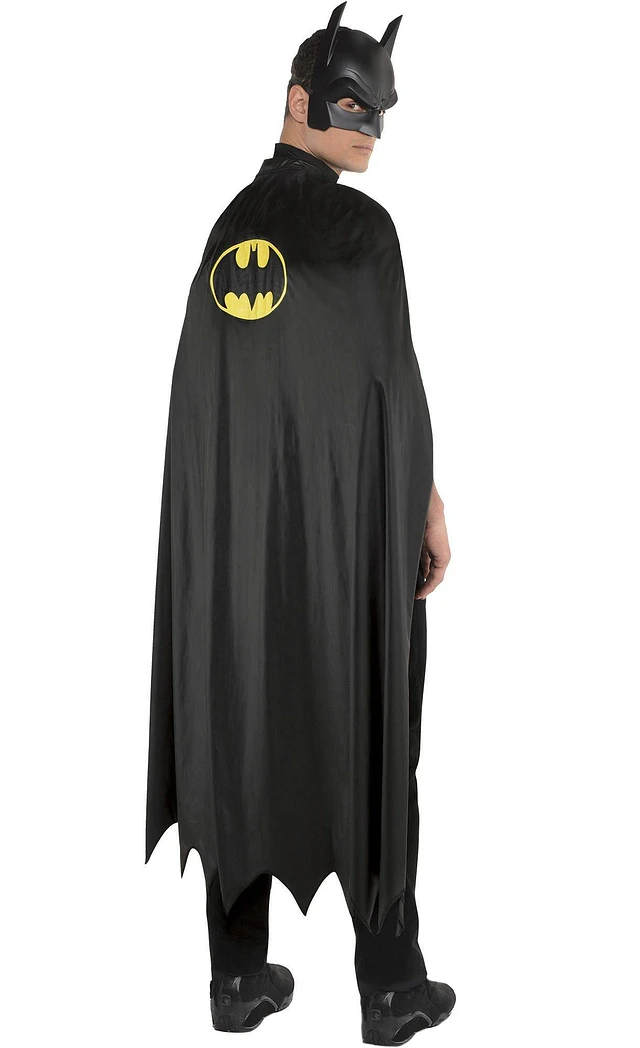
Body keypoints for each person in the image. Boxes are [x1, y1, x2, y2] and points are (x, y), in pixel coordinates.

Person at [145, 3, 456, 1042]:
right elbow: (390, 387)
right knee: (372, 718)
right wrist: (426, 506)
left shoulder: (229, 226)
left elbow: (213, 404)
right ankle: (390, 986)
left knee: (237, 712)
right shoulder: (363, 234)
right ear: (300, 99)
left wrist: (219, 546)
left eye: (383, 112)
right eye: (355, 105)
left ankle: (238, 980)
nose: (373, 129)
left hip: (236, 548)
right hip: (347, 542)